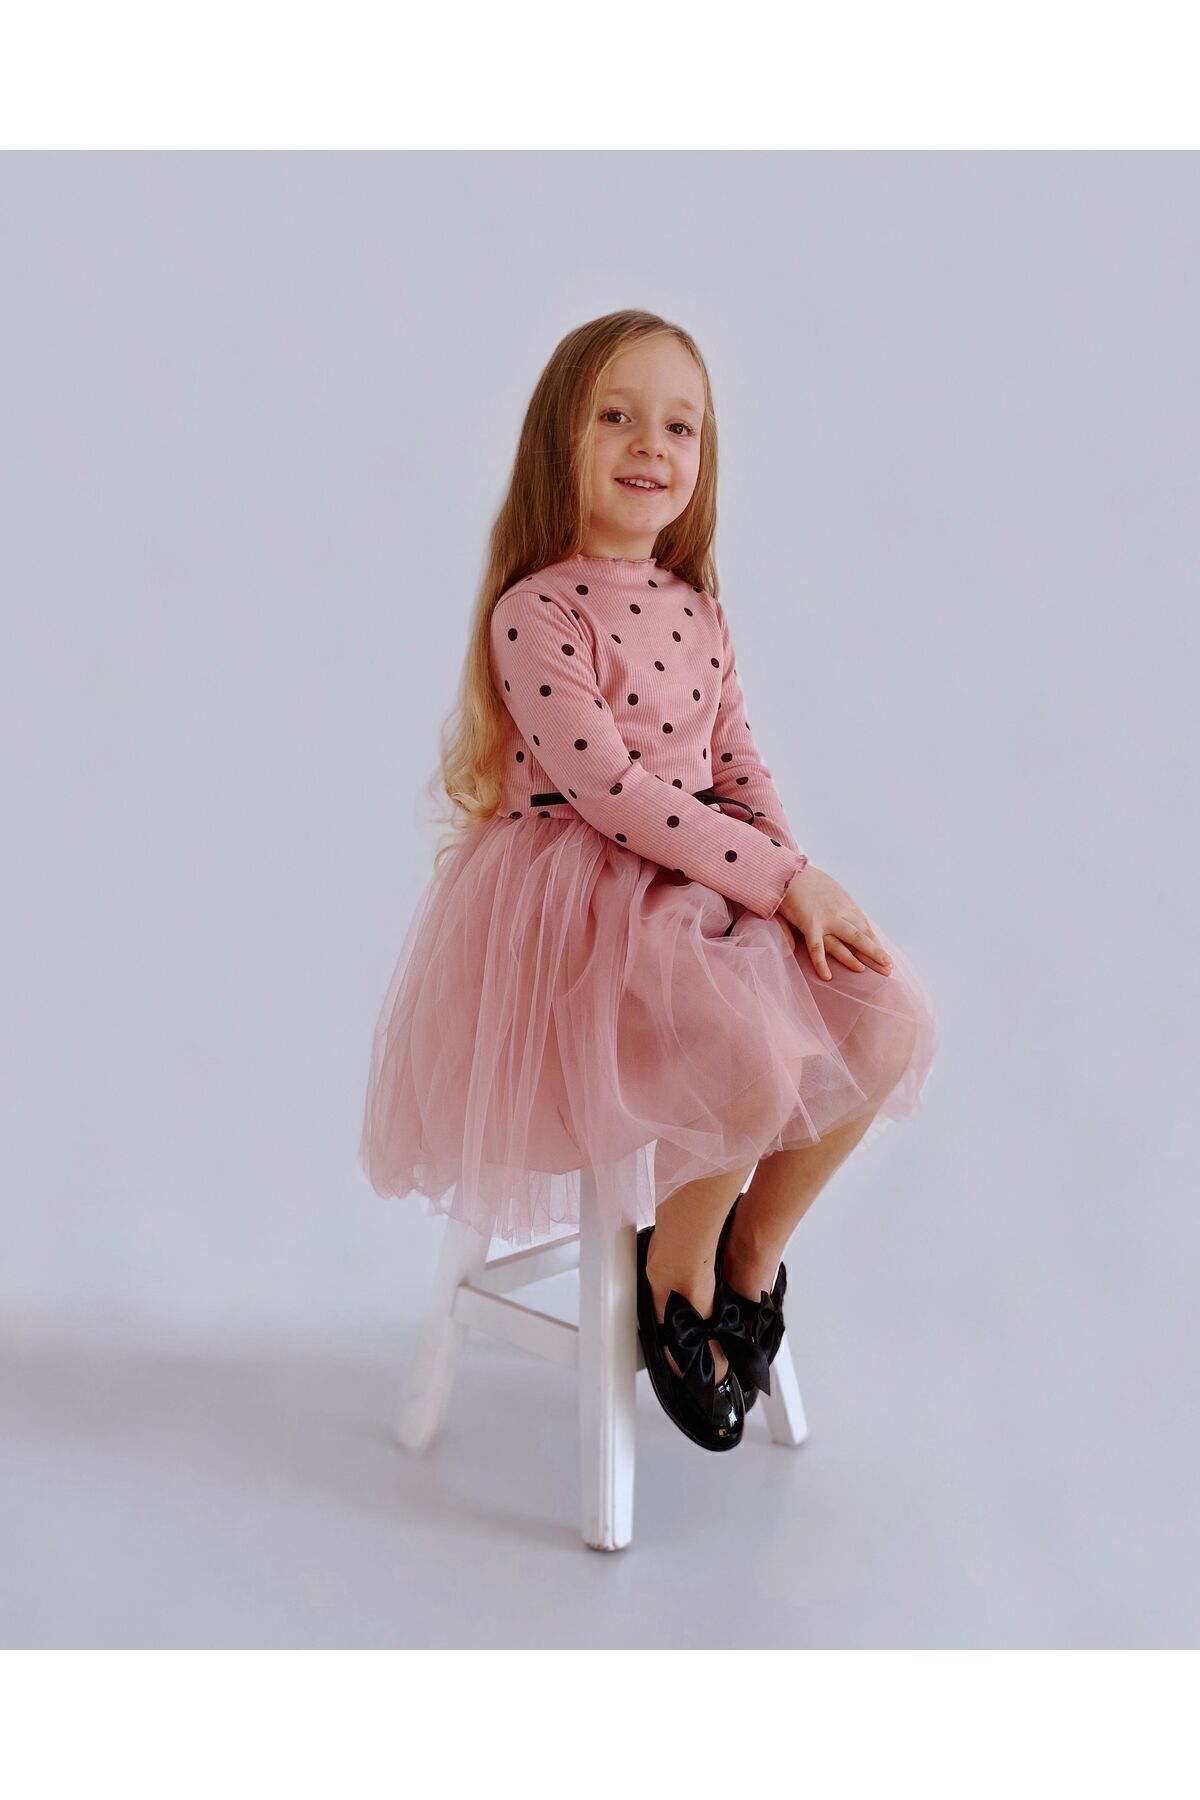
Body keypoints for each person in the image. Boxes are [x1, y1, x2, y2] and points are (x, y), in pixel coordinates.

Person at [358, 308, 939, 1452]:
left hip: (711, 884)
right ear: (559, 442)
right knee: (756, 1051)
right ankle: (674, 1272)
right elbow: (617, 794)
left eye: (680, 426)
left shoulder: (699, 609)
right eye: (616, 416)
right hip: (588, 915)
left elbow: (738, 765)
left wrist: (797, 884)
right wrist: (776, 881)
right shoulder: (536, 612)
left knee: (890, 1018)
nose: (650, 445)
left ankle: (746, 1252)